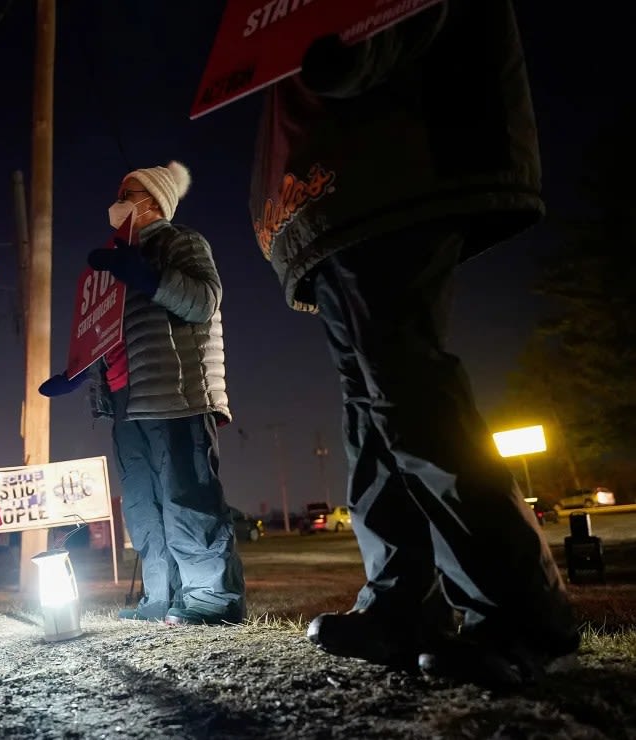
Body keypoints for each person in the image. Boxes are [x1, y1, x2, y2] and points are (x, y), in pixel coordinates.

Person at [247, 0, 578, 686]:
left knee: (405, 384)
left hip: (393, 156)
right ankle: (402, 600)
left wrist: (359, 54)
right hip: (338, 190)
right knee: (367, 407)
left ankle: (518, 608)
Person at [41, 160, 245, 626]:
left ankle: (211, 599)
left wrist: (148, 277)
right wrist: (77, 371)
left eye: (127, 193)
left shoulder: (181, 242)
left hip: (174, 393)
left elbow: (203, 300)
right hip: (126, 403)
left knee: (186, 495)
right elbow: (107, 333)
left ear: (153, 202)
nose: (117, 202)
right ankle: (161, 598)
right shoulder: (117, 260)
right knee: (143, 505)